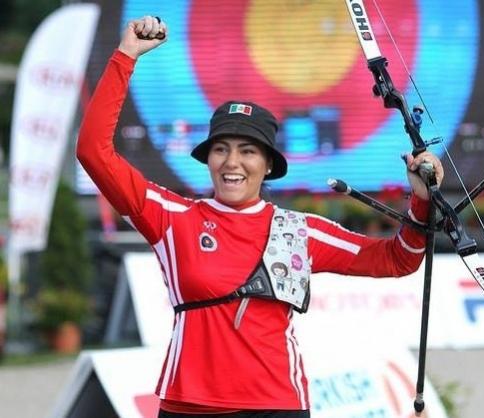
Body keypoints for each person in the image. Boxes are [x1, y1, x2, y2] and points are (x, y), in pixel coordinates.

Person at [77, 16, 444, 418]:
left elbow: (397, 259)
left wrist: (421, 199)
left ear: (268, 165)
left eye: (248, 151)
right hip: (190, 405)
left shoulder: (298, 230)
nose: (232, 162)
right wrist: (126, 55)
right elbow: (93, 152)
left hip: (277, 406)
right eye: (221, 149)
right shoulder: (171, 216)